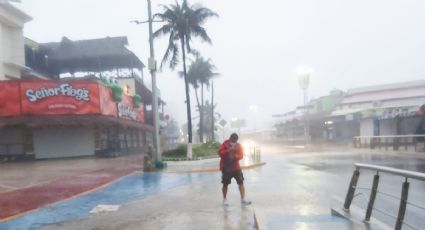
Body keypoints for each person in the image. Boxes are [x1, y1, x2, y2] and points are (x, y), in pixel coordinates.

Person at [219, 133, 251, 206]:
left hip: (236, 167)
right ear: (230, 138)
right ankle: (224, 199)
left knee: (241, 182)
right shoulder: (224, 144)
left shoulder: (238, 146)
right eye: (233, 140)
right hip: (226, 168)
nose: (234, 142)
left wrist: (235, 156)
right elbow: (220, 153)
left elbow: (241, 155)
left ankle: (243, 199)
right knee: (225, 184)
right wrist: (228, 150)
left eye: (235, 141)